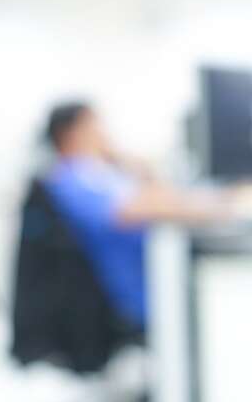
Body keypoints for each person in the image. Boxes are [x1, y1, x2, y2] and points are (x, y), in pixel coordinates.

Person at [42, 101, 226, 331]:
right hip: (137, 296)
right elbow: (136, 209)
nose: (103, 132)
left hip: (162, 280)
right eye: (94, 124)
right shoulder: (70, 178)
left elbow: (160, 198)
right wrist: (215, 206)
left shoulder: (101, 173)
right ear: (70, 133)